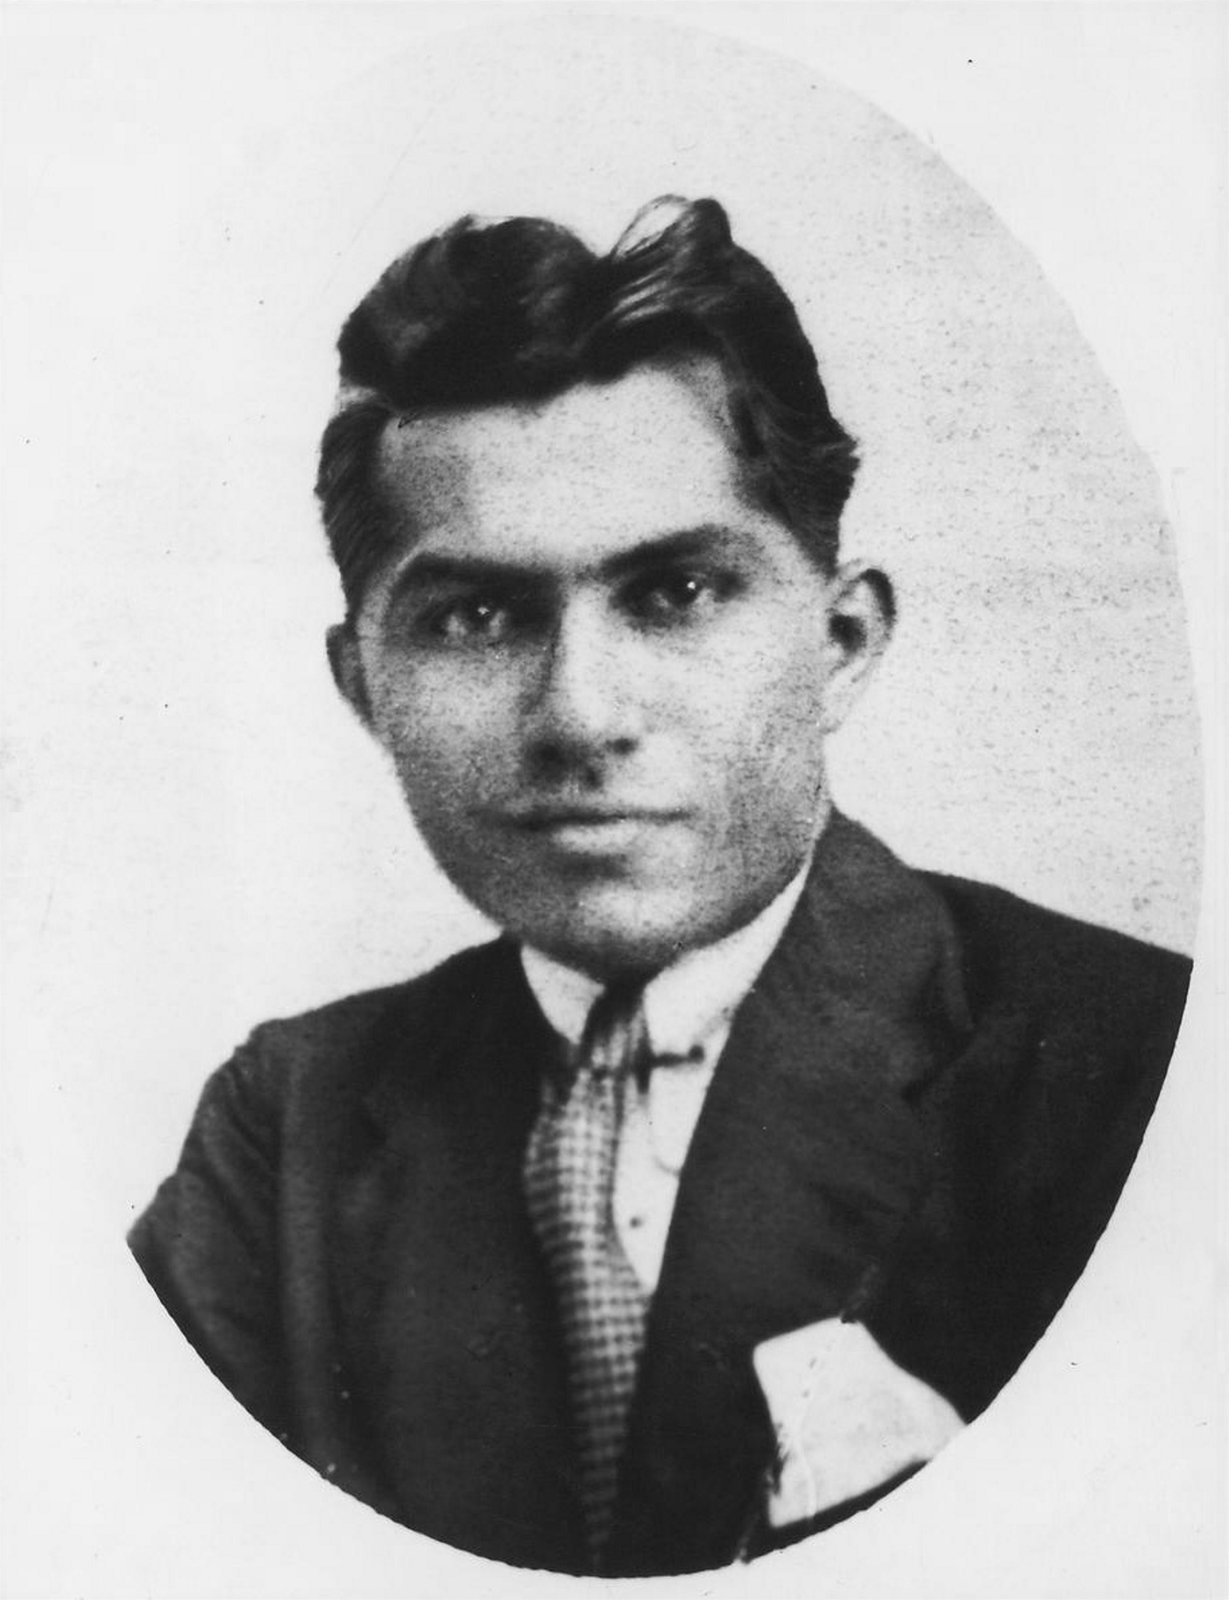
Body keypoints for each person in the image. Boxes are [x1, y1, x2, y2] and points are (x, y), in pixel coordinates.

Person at [129, 196, 1191, 1578]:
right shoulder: (289, 1125)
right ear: (364, 688)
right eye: (474, 616)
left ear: (840, 642)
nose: (581, 713)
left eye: (677, 593)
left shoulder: (1144, 1068)